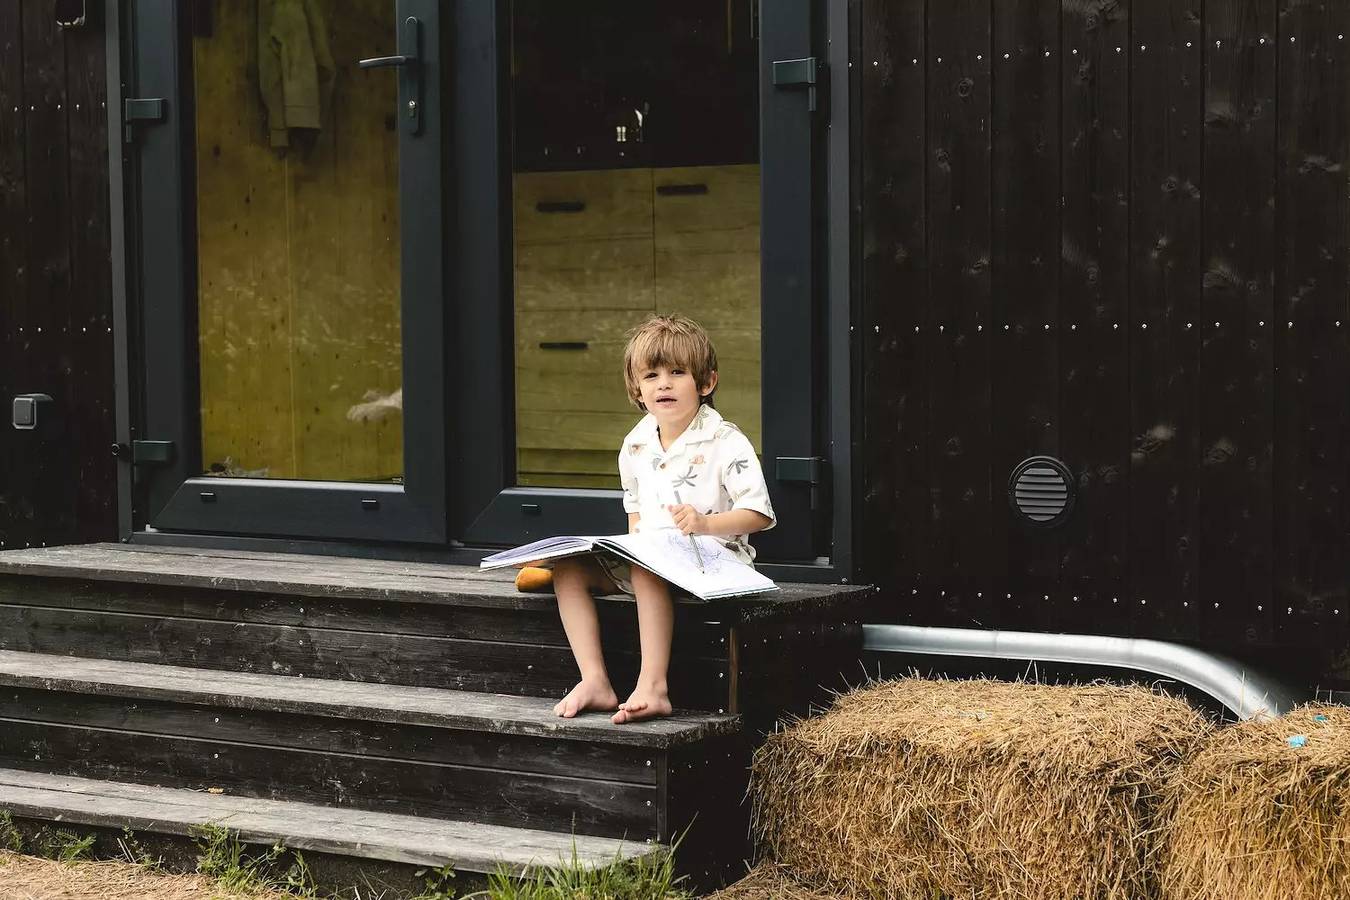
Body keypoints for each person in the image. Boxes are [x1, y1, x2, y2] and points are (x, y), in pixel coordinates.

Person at [550, 314, 775, 723]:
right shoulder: (635, 443)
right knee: (568, 570)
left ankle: (653, 686)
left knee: (646, 568)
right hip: (653, 562)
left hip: (715, 564)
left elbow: (758, 514)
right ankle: (595, 681)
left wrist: (706, 524)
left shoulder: (726, 442)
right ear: (637, 389)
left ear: (706, 383)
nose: (663, 384)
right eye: (651, 375)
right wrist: (629, 542)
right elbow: (634, 504)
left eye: (677, 373)